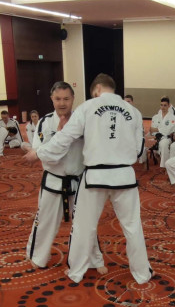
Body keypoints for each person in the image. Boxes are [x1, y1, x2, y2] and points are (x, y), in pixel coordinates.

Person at [26, 73, 152, 285]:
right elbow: (140, 151)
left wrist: (39, 153)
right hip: (125, 177)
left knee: (84, 226)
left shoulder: (87, 107)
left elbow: (64, 139)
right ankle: (142, 273)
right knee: (133, 227)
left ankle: (76, 271)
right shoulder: (134, 112)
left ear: (96, 90)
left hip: (95, 177)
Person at [26, 83, 103, 270]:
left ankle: (92, 259)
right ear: (52, 99)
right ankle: (38, 256)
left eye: (66, 99)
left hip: (78, 179)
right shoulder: (45, 122)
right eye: (58, 99)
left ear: (73, 99)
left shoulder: (83, 121)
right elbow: (41, 153)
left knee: (86, 222)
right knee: (45, 221)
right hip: (53, 178)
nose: (62, 103)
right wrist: (59, 135)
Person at [149, 96, 175, 167]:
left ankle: (164, 166)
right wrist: (158, 130)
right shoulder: (155, 117)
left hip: (166, 137)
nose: (163, 107)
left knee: (164, 144)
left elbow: (168, 131)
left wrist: (157, 129)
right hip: (155, 136)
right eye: (161, 105)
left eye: (165, 105)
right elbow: (151, 129)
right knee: (145, 141)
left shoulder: (173, 118)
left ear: (169, 106)